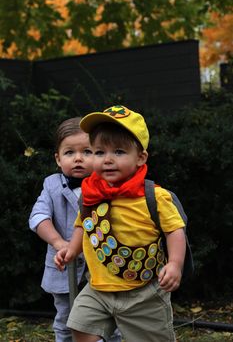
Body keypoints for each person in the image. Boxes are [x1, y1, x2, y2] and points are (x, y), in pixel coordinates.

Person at [55, 106, 186, 342]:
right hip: (97, 287)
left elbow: (174, 229)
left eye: (118, 151)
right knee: (80, 327)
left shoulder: (153, 196)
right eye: (97, 152)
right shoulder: (91, 193)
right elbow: (83, 224)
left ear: (140, 157)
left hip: (143, 291)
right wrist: (71, 249)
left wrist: (175, 264)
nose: (107, 159)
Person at [29, 117, 122, 342]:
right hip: (63, 267)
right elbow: (38, 216)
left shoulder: (109, 184)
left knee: (109, 318)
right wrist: (58, 242)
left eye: (88, 152)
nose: (78, 158)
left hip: (101, 266)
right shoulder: (51, 185)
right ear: (58, 159)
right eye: (70, 152)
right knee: (67, 318)